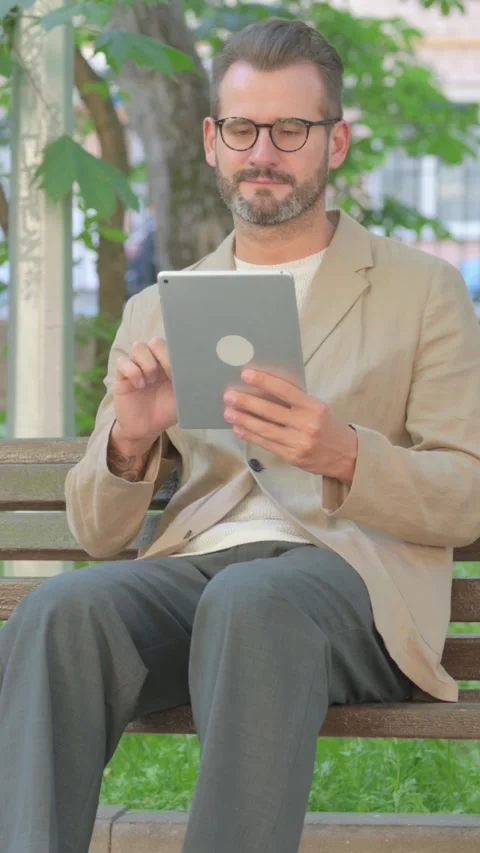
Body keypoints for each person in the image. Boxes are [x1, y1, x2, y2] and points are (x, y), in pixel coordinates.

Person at [1, 17, 480, 853]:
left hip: (352, 583)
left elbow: (466, 493)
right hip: (200, 572)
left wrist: (345, 454)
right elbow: (96, 532)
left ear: (335, 142)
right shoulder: (160, 306)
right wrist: (129, 443)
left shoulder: (424, 290)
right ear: (211, 141)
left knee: (252, 601)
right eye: (243, 129)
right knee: (58, 614)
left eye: (291, 129)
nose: (263, 152)